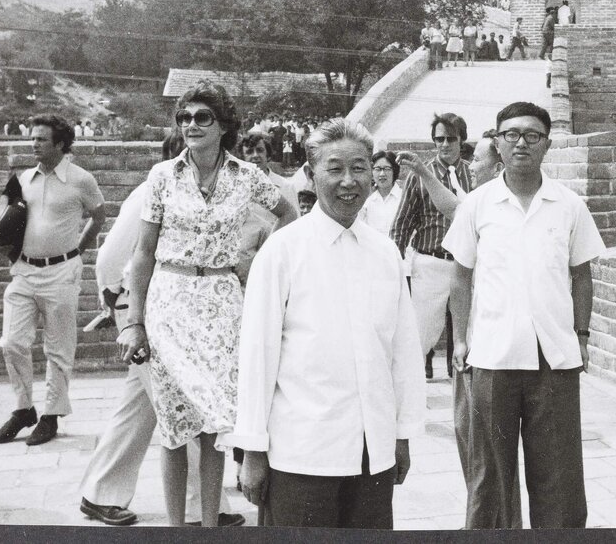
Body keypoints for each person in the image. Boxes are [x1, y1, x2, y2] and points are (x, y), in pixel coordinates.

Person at [227, 119, 426, 529]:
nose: (349, 181)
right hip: (301, 453)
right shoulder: (283, 251)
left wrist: (401, 434)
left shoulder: (385, 252)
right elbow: (257, 355)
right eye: (335, 169)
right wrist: (252, 450)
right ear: (311, 173)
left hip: (372, 453)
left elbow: (403, 350)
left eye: (360, 167)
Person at [116, 83, 296, 527]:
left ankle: (210, 526)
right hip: (169, 301)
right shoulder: (161, 177)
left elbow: (289, 215)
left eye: (202, 117)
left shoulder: (247, 176)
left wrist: (256, 257)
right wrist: (133, 322)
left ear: (224, 126)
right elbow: (142, 254)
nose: (191, 125)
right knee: (174, 427)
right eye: (185, 117)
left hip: (221, 302)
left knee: (214, 422)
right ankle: (178, 528)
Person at [445, 102, 605, 528]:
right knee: (490, 477)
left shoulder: (568, 204)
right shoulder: (477, 205)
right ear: (497, 142)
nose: (521, 142)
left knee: (560, 478)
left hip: (554, 359)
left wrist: (583, 336)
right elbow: (460, 278)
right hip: (493, 357)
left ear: (547, 144)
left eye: (532, 135)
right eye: (511, 134)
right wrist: (461, 339)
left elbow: (582, 275)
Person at [79, 131, 245, 527]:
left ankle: (100, 492)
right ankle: (200, 510)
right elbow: (109, 258)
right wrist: (116, 306)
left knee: (141, 407)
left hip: (175, 313)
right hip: (144, 313)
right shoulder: (150, 191)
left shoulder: (213, 193)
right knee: (186, 408)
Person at [400, 132, 521, 527]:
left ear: (497, 165)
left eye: (480, 162)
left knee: (478, 438)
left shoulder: (493, 205)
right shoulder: (490, 203)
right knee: (478, 439)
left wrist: (464, 339)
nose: (474, 167)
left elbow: (451, 206)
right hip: (486, 339)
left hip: (490, 343)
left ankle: (488, 522)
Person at [0, 115, 106, 447]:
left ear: (60, 144)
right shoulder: (24, 179)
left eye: (41, 139)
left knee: (58, 347)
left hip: (61, 273)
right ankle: (23, 408)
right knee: (11, 342)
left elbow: (99, 216)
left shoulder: (81, 180)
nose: (34, 143)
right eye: (33, 138)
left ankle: (51, 415)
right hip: (24, 272)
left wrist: (77, 250)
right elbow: (9, 222)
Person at [390, 113, 472, 379]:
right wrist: (392, 263)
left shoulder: (473, 173)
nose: (445, 145)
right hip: (432, 261)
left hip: (468, 266)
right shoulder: (419, 175)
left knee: (470, 335)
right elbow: (402, 221)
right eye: (439, 139)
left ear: (462, 140)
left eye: (451, 138)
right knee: (419, 336)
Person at [239, 134, 300, 218]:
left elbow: (295, 222)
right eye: (249, 152)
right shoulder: (235, 186)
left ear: (267, 154)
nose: (255, 155)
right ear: (242, 157)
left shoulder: (286, 186)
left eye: (260, 150)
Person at [359, 150, 403, 235]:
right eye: (378, 169)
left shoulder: (404, 198)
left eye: (387, 169)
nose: (382, 174)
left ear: (394, 171)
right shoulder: (367, 200)